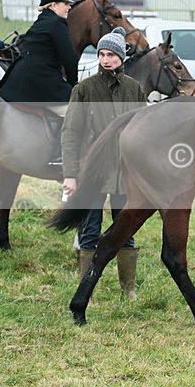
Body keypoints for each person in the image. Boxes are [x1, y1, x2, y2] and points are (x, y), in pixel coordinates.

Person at [61, 27, 146, 298]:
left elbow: (144, 133)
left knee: (125, 230)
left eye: (111, 54)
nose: (106, 60)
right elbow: (70, 133)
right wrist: (71, 174)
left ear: (121, 57)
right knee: (90, 231)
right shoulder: (84, 89)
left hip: (125, 173)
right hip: (93, 172)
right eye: (101, 54)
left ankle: (128, 290)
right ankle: (86, 290)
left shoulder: (134, 89)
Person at [0, 0, 78, 165]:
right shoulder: (57, 23)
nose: (69, 7)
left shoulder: (41, 22)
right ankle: (61, 155)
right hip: (38, 81)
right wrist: (75, 85)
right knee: (76, 109)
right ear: (53, 5)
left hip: (19, 79)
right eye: (65, 3)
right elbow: (69, 59)